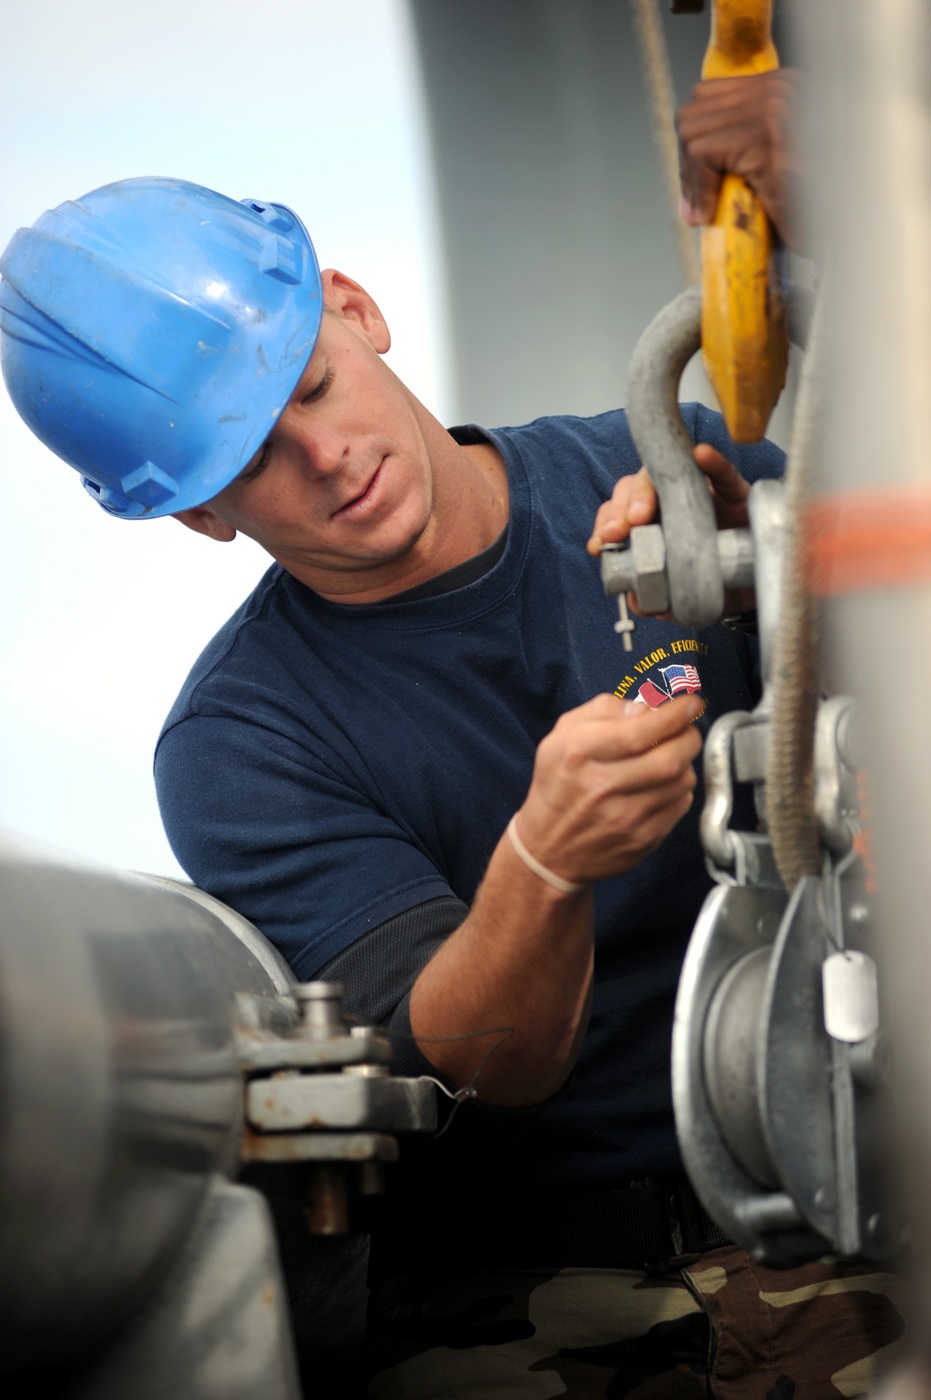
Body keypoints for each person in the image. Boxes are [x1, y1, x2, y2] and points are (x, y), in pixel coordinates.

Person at [0, 177, 903, 1398]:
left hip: (850, 1208)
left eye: (309, 387)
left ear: (357, 310)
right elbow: (484, 1071)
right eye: (254, 458)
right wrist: (542, 865)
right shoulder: (243, 742)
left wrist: (787, 586)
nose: (327, 457)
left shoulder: (685, 477)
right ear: (200, 516)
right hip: (517, 1308)